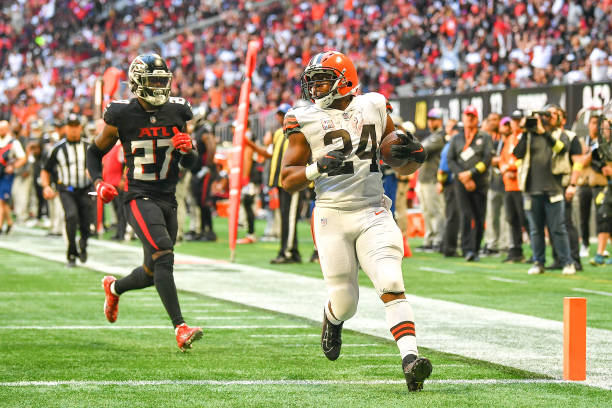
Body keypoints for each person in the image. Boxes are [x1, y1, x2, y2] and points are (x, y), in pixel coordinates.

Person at [280, 50, 431, 391]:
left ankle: (410, 361)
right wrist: (318, 166)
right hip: (331, 213)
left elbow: (397, 159)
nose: (315, 88)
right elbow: (286, 179)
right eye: (312, 81)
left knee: (391, 281)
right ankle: (332, 320)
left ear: (344, 80)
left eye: (322, 80)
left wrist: (413, 156)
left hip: (372, 209)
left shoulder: (375, 105)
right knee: (345, 301)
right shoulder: (302, 117)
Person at [86, 53, 203, 351]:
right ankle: (180, 327)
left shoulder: (177, 111)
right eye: (153, 81)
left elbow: (190, 161)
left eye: (162, 81)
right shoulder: (121, 114)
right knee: (164, 255)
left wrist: (187, 151)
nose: (159, 86)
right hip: (138, 195)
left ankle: (113, 288)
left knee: (153, 271)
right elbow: (93, 152)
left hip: (168, 197)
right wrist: (99, 183)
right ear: (137, 82)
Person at [513, 110, 575, 275]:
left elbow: (561, 149)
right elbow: (516, 154)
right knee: (535, 230)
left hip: (553, 188)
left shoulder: (561, 135)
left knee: (558, 228)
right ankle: (538, 262)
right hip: (533, 189)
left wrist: (544, 132)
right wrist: (525, 131)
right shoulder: (528, 137)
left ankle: (567, 262)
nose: (543, 120)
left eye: (548, 117)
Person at [41, 113, 94, 267]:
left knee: (86, 222)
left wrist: (94, 175)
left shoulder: (88, 146)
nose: (73, 130)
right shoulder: (57, 148)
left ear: (80, 128)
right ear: (65, 128)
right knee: (71, 216)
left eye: (76, 126)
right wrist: (46, 186)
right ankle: (71, 253)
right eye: (70, 127)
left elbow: (97, 165)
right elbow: (46, 170)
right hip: (67, 189)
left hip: (85, 188)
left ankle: (83, 243)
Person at [447, 106, 493, 261]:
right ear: (463, 117)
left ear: (477, 118)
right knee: (466, 215)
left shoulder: (485, 137)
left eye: (472, 116)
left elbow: (486, 160)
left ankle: (476, 249)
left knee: (480, 217)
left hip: (480, 182)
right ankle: (467, 249)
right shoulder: (456, 138)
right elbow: (450, 160)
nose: (470, 118)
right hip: (461, 182)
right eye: (467, 115)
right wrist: (462, 175)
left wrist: (471, 174)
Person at [268, 103, 303, 264]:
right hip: (281, 182)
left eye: (284, 114)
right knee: (284, 217)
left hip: (294, 182)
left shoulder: (298, 132)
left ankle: (289, 251)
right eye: (280, 114)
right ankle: (288, 249)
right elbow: (273, 157)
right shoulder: (277, 134)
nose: (281, 117)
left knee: (290, 217)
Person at [499, 112, 528, 263]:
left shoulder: (524, 137)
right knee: (512, 219)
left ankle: (536, 252)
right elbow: (502, 159)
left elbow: (523, 160)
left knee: (525, 219)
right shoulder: (509, 139)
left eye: (517, 121)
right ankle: (516, 251)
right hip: (509, 186)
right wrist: (505, 168)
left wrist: (509, 168)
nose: (515, 124)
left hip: (520, 185)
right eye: (513, 121)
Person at [416, 108, 446, 252]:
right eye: (430, 119)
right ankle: (429, 239)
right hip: (424, 178)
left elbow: (423, 150)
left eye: (434, 119)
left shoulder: (439, 136)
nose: (431, 122)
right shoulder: (432, 135)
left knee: (435, 211)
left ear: (440, 121)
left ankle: (438, 240)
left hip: (432, 179)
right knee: (426, 211)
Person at [0, 120, 27, 234]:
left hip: (6, 175)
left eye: (3, 129)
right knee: (3, 202)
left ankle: (0, 226)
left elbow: (23, 158)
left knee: (1, 200)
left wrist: (13, 167)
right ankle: (10, 223)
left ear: (7, 129)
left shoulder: (13, 142)